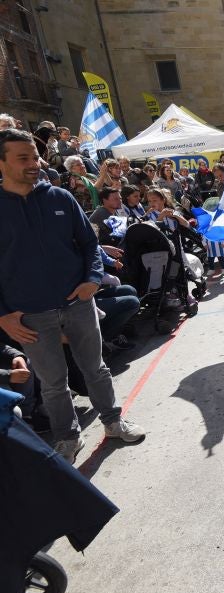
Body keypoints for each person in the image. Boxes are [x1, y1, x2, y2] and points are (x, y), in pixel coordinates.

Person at [0, 128, 144, 463]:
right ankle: (68, 438)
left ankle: (112, 422)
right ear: (2, 163)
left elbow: (90, 244)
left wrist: (93, 280)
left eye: (35, 156)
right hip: (30, 316)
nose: (34, 163)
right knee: (53, 383)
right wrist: (4, 314)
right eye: (23, 158)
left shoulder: (60, 198)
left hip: (78, 304)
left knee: (96, 368)